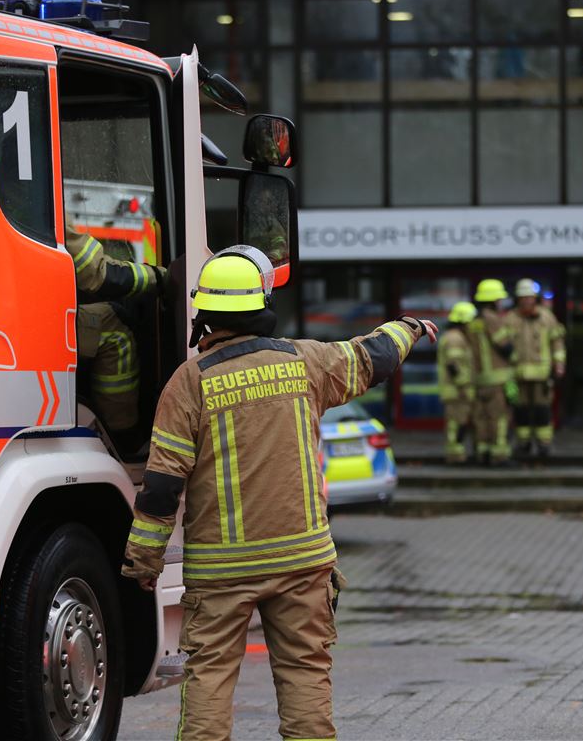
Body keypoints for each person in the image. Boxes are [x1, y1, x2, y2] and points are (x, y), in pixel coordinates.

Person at [121, 246, 437, 741]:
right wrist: (410, 327)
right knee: (305, 674)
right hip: (302, 560)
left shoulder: (188, 383)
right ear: (262, 304)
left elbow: (162, 485)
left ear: (205, 313)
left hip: (221, 571)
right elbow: (372, 356)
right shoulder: (305, 361)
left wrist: (145, 561)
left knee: (209, 678)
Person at [66, 217, 165, 459]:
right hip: (28, 319)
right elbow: (96, 272)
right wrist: (159, 276)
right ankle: (123, 438)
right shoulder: (39, 203)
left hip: (6, 312)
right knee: (115, 327)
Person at [511, 279, 567, 458]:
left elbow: (557, 342)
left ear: (535, 298)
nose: (527, 301)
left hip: (542, 374)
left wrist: (559, 364)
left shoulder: (546, 318)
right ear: (518, 299)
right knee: (521, 411)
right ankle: (524, 443)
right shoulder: (511, 319)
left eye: (530, 297)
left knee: (542, 410)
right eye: (523, 298)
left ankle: (544, 444)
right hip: (518, 375)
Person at [468, 279, 515, 466]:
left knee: (481, 418)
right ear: (494, 300)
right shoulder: (492, 318)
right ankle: (499, 456)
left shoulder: (474, 321)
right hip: (497, 379)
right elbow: (505, 346)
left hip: (479, 379)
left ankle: (483, 454)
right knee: (499, 418)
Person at [437, 301, 477, 465]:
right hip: (456, 391)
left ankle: (457, 454)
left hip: (455, 390)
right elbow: (453, 365)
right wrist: (463, 385)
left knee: (458, 423)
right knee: (456, 424)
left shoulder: (455, 336)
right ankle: (455, 456)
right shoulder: (455, 338)